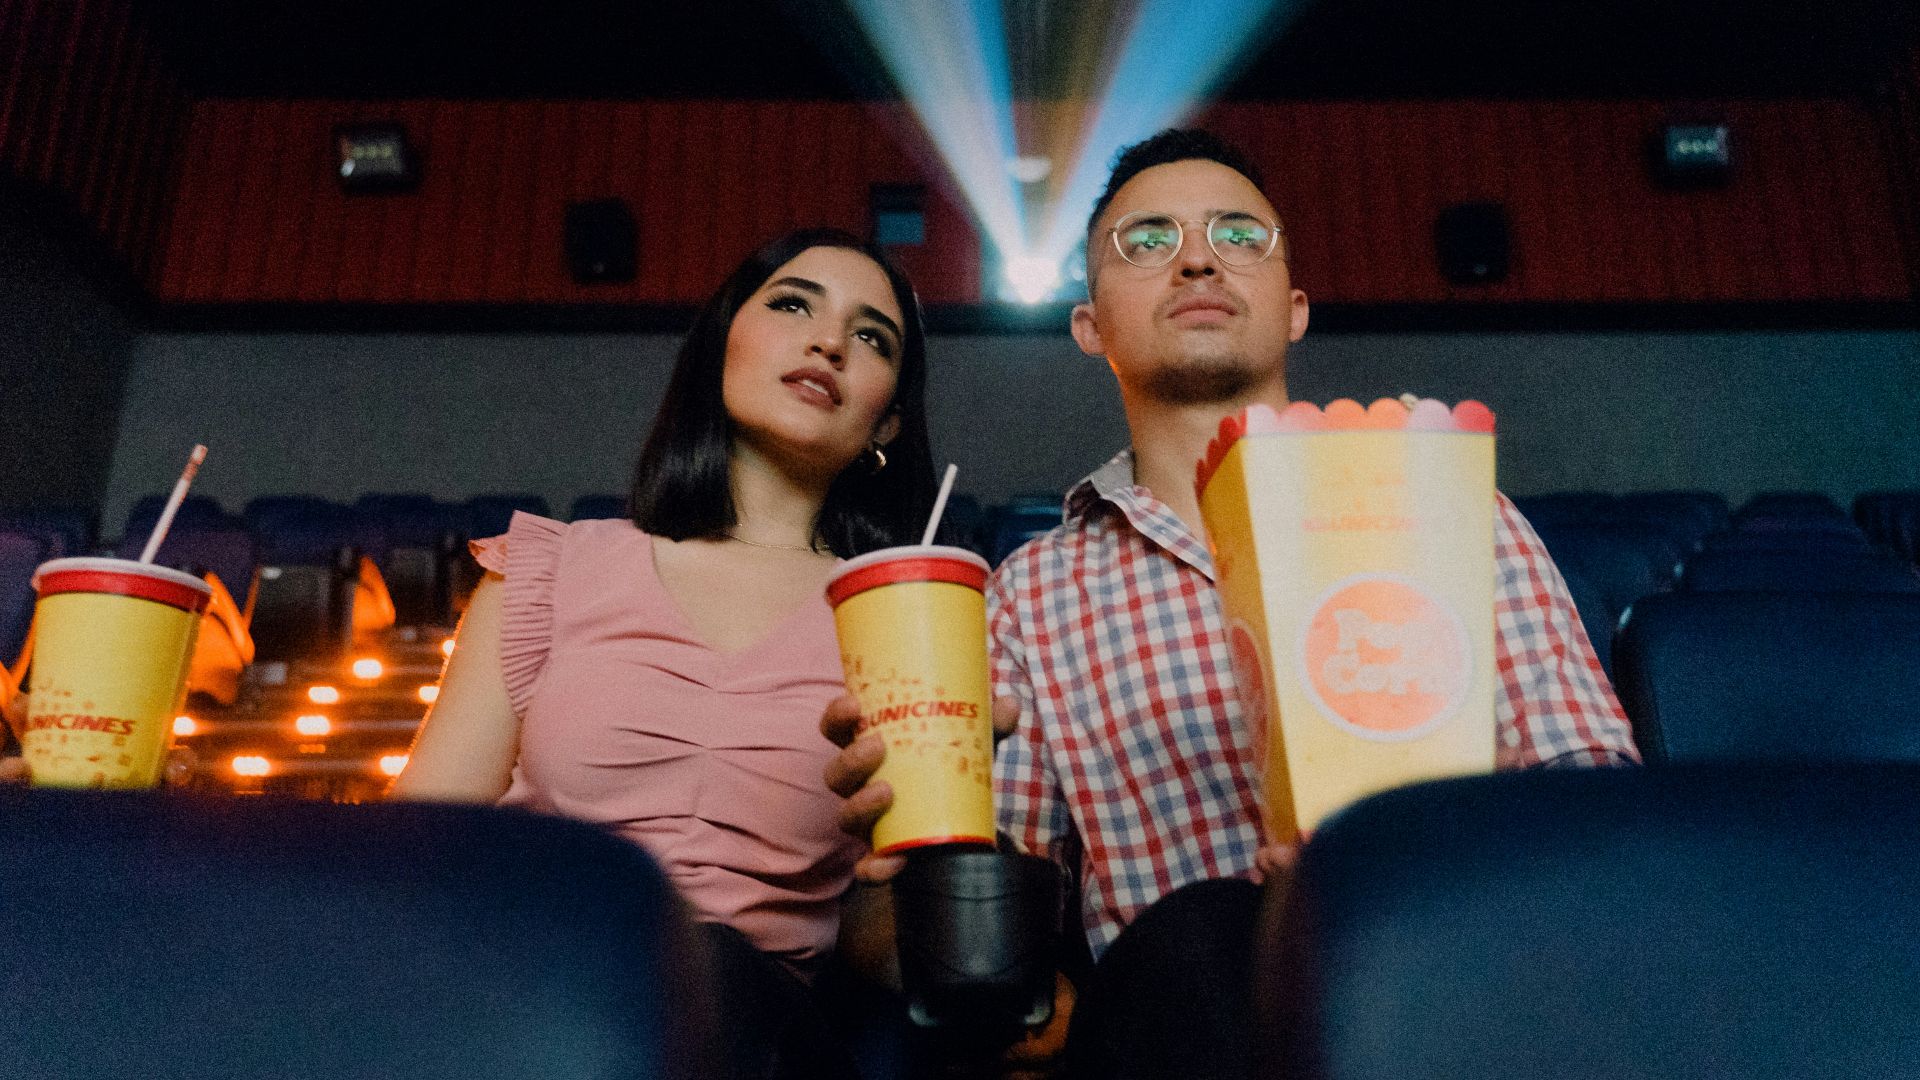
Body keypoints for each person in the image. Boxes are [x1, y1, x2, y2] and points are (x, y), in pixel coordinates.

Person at [823, 130, 1639, 1079]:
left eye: (1240, 235)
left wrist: (1393, 868)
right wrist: (909, 858)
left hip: (1459, 976)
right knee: (1207, 932)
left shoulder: (1454, 508)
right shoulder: (1029, 596)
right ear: (1090, 325)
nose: (1199, 259)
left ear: (1294, 310)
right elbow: (989, 925)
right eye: (1147, 241)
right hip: (1194, 1015)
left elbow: (1599, 806)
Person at [394, 227, 939, 1080]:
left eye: (872, 337)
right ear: (721, 346)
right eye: (793, 306)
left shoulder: (905, 622)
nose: (829, 342)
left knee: (710, 967)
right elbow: (418, 850)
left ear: (889, 420)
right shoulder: (551, 570)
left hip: (761, 1028)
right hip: (535, 995)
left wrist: (929, 852)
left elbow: (887, 958)